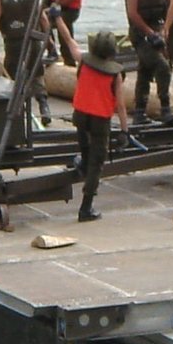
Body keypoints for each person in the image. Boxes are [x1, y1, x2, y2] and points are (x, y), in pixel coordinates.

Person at [71, 30, 132, 222]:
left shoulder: (83, 62)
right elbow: (120, 105)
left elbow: (70, 43)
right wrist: (124, 131)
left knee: (85, 148)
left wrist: (58, 21)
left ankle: (82, 164)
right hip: (100, 120)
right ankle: (86, 207)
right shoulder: (115, 74)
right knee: (97, 163)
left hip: (80, 114)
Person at [123, 0, 173, 124]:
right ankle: (165, 108)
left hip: (155, 31)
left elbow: (162, 11)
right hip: (141, 34)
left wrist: (161, 32)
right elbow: (133, 14)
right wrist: (150, 33)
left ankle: (139, 112)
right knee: (162, 68)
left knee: (145, 72)